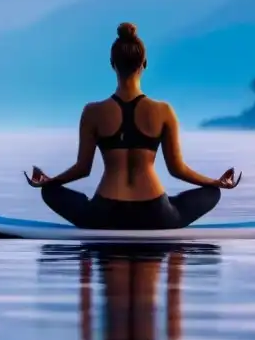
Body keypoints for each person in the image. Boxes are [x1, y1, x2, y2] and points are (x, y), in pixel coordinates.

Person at [23, 22, 241, 230]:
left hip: (104, 212)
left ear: (112, 64)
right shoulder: (164, 111)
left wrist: (51, 181)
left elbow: (83, 169)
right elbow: (177, 170)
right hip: (155, 213)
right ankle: (176, 256)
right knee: (213, 193)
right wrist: (214, 182)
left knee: (48, 192)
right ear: (144, 63)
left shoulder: (92, 112)